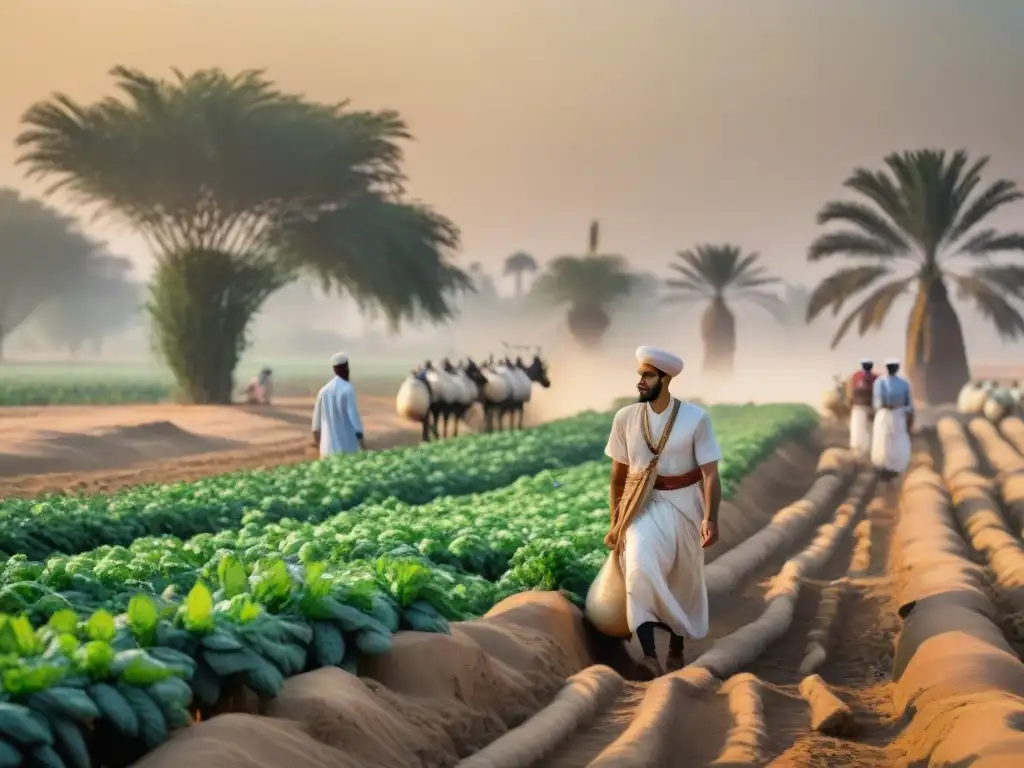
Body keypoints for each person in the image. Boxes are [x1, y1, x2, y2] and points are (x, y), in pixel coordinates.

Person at [603, 345, 723, 678]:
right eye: (640, 375)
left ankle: (677, 648)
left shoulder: (696, 418)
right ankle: (649, 656)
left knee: (682, 578)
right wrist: (616, 521)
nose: (640, 382)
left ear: (665, 379)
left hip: (686, 504)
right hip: (642, 507)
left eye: (647, 376)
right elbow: (617, 476)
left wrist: (710, 518)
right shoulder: (625, 418)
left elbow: (711, 474)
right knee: (639, 568)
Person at [311, 352, 366, 457]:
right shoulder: (347, 388)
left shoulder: (323, 391)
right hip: (347, 448)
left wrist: (319, 445)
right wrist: (362, 441)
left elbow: (315, 426)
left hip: (326, 450)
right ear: (346, 368)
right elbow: (353, 417)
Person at [871, 358, 914, 481]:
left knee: (897, 440)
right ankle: (882, 466)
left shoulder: (904, 383)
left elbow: (909, 403)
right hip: (885, 414)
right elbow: (878, 401)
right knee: (883, 439)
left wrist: (908, 416)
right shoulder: (880, 382)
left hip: (898, 415)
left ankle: (896, 467)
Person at [847, 358, 876, 459]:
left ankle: (866, 453)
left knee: (867, 430)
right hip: (858, 407)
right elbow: (851, 391)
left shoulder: (874, 378)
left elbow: (875, 394)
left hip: (868, 407)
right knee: (857, 428)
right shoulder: (856, 376)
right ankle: (856, 450)